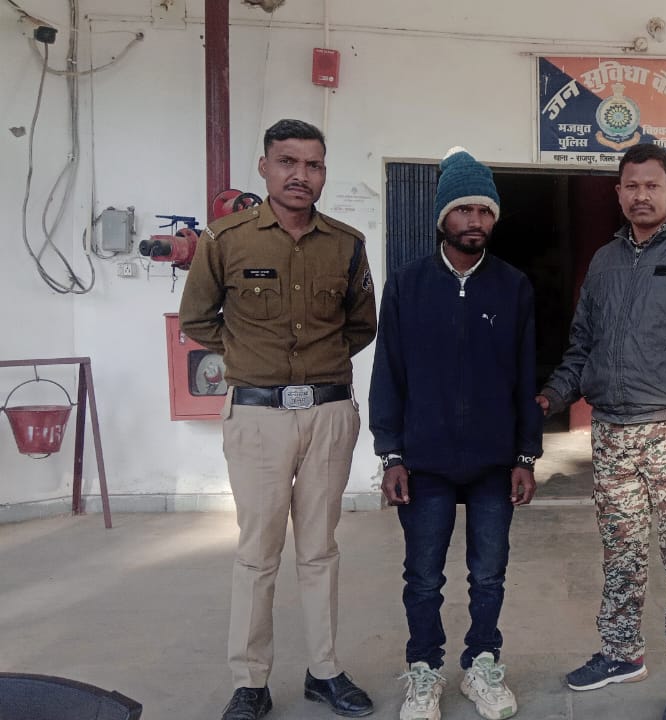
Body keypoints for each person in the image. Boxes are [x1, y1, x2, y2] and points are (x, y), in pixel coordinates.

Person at [180, 118, 377, 720]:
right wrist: (250, 357)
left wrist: (318, 366)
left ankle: (325, 671)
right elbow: (197, 319)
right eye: (288, 162)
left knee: (320, 549)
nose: (300, 175)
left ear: (324, 173)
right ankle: (250, 681)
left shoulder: (346, 244)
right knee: (257, 552)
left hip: (329, 413)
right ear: (264, 167)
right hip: (258, 416)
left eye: (313, 164)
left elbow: (362, 325)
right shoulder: (226, 239)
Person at [538, 143, 666, 720]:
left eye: (652, 185)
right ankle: (622, 654)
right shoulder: (605, 261)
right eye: (631, 185)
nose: (641, 195)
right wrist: (550, 396)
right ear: (618, 192)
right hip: (612, 435)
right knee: (621, 553)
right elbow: (582, 346)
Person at [369, 147, 541, 720]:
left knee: (489, 574)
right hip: (425, 460)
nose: (476, 221)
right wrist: (391, 453)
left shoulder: (513, 286)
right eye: (464, 210)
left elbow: (525, 375)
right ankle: (424, 670)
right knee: (423, 577)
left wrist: (526, 455)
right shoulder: (408, 286)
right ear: (443, 216)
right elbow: (388, 373)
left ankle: (482, 664)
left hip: (494, 461)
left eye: (485, 211)